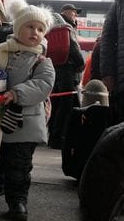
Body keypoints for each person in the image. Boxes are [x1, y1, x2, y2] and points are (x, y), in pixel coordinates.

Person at [0, 0, 55, 221]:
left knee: (19, 165)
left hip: (25, 123)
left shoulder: (42, 60)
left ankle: (18, 200)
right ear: (17, 27)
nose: (35, 32)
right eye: (30, 26)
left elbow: (43, 84)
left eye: (40, 29)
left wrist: (17, 93)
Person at [46, 12, 84, 149]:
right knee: (67, 108)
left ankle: (53, 137)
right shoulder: (66, 29)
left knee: (56, 106)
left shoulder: (49, 32)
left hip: (54, 73)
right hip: (68, 74)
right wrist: (80, 65)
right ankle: (61, 138)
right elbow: (75, 51)